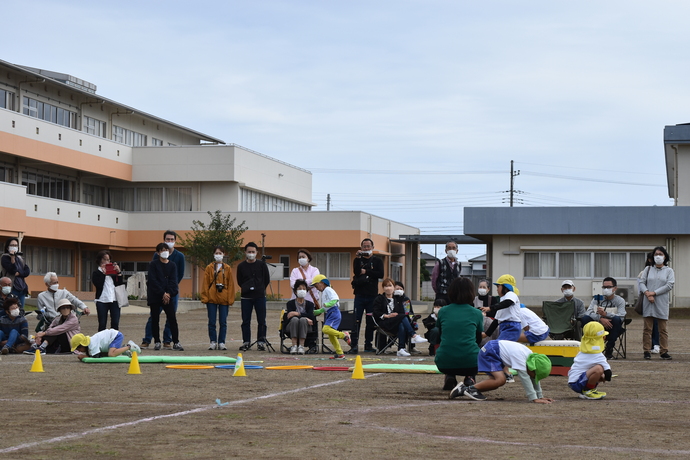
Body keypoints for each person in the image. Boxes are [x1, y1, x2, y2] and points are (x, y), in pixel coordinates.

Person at [450, 340, 554, 403]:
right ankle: (467, 389)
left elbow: (532, 377)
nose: (534, 378)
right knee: (500, 380)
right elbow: (526, 378)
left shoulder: (532, 359)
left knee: (495, 383)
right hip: (490, 352)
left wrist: (540, 396)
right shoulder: (521, 358)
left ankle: (466, 389)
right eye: (535, 375)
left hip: (495, 352)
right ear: (533, 369)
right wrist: (534, 398)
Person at [434, 277, 484, 392]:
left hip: (444, 361)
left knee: (449, 349)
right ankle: (470, 377)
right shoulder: (476, 313)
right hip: (470, 361)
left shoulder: (443, 311)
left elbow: (441, 335)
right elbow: (478, 339)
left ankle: (450, 375)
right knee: (475, 351)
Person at [142, 230, 186, 349]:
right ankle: (147, 340)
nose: (170, 242)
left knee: (171, 317)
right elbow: (153, 278)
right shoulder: (155, 258)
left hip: (171, 292)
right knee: (153, 317)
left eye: (172, 240)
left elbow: (179, 275)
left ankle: (168, 340)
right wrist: (162, 292)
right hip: (156, 293)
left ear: (175, 241)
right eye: (168, 239)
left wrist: (169, 292)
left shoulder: (179, 257)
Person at [372, 278, 427, 357]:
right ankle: (413, 335)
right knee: (402, 317)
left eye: (390, 286)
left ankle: (401, 349)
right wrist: (387, 315)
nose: (388, 288)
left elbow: (406, 311)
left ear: (393, 287)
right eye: (386, 286)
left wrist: (402, 296)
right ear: (383, 288)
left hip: (395, 322)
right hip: (385, 322)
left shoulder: (398, 299)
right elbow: (376, 312)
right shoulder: (379, 299)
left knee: (401, 323)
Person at [639, 246, 674, 360]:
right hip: (648, 302)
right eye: (656, 254)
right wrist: (647, 293)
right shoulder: (648, 269)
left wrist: (653, 293)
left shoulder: (669, 271)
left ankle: (664, 351)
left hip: (661, 302)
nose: (658, 256)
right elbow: (642, 282)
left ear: (665, 256)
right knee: (647, 329)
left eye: (660, 254)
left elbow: (669, 285)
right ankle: (646, 351)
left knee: (662, 329)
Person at [350, 238, 384, 354]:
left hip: (372, 296)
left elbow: (380, 274)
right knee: (356, 320)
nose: (366, 248)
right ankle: (354, 345)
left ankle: (368, 344)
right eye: (364, 246)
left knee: (370, 321)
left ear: (373, 247)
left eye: (368, 246)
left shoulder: (377, 260)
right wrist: (359, 258)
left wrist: (367, 272)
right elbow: (356, 271)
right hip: (359, 295)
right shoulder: (357, 260)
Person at [236, 242, 271, 351]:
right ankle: (246, 341)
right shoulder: (241, 266)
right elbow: (239, 280)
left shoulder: (262, 265)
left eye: (253, 252)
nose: (251, 254)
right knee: (246, 320)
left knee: (261, 320)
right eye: (249, 252)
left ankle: (261, 341)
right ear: (245, 252)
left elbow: (266, 279)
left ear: (256, 253)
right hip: (246, 297)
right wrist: (246, 288)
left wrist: (260, 288)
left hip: (259, 296)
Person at [200, 246, 236, 351]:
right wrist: (205, 297)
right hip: (211, 298)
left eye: (220, 253)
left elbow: (231, 285)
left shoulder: (227, 268)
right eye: (216, 253)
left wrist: (230, 299)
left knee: (223, 321)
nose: (218, 255)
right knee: (211, 321)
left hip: (224, 298)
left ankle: (222, 342)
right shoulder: (209, 268)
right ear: (213, 254)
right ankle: (213, 341)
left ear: (224, 254)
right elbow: (205, 284)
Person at [582, 277, 626, 360]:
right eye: (604, 287)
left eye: (609, 287)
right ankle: (588, 347)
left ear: (615, 288)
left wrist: (606, 314)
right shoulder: (596, 299)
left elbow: (621, 316)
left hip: (612, 327)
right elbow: (588, 312)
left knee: (617, 320)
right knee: (585, 318)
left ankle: (609, 349)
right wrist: (600, 318)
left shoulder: (620, 300)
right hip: (596, 327)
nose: (606, 289)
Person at [567, 322, 612, 400]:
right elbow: (608, 372)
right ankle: (588, 391)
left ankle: (588, 390)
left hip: (574, 381)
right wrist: (606, 376)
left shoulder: (583, 351)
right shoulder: (596, 354)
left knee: (599, 371)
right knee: (599, 369)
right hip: (577, 383)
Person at [311, 274, 351, 359]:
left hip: (334, 312)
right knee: (331, 334)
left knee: (325, 329)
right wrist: (319, 311)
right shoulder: (324, 292)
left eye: (316, 285)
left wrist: (327, 304)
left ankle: (344, 335)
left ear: (321, 283)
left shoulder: (328, 289)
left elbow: (335, 299)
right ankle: (340, 353)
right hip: (330, 312)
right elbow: (326, 307)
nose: (316, 288)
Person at [481, 274, 522, 341]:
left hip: (511, 327)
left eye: (498, 286)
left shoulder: (511, 294)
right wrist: (486, 334)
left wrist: (490, 308)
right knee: (502, 348)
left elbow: (507, 303)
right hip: (505, 327)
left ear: (505, 287)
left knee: (499, 346)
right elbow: (496, 320)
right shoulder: (502, 300)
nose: (497, 290)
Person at [91, 251, 123, 331]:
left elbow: (120, 284)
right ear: (99, 260)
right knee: (102, 323)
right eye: (104, 259)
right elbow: (98, 285)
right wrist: (103, 274)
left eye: (108, 260)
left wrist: (118, 272)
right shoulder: (96, 273)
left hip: (114, 299)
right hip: (102, 300)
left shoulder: (113, 272)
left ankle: (114, 342)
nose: (106, 262)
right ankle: (102, 342)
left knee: (115, 323)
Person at [283, 279, 316, 354]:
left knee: (302, 320)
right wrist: (306, 317)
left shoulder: (310, 304)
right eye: (300, 289)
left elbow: (311, 315)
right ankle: (294, 346)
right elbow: (290, 316)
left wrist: (298, 314)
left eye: (304, 289)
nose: (302, 290)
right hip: (292, 325)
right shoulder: (290, 303)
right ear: (295, 291)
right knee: (295, 319)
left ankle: (301, 346)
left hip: (307, 326)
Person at [638, 253, 660, 353]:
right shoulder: (644, 272)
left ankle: (656, 344)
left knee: (657, 324)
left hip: (658, 299)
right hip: (647, 300)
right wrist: (648, 294)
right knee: (648, 325)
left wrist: (654, 294)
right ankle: (650, 346)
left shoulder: (664, 271)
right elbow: (640, 287)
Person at [71, 330, 140, 361]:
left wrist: (83, 356)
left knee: (111, 354)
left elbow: (96, 356)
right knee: (107, 353)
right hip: (112, 336)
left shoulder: (92, 344)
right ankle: (122, 349)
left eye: (78, 348)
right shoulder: (90, 342)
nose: (78, 351)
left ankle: (129, 346)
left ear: (82, 345)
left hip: (115, 336)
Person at [0, 238, 30, 309]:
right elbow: (12, 270)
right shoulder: (4, 257)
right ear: (7, 247)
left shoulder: (20, 258)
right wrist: (12, 258)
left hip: (22, 288)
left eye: (16, 245)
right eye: (12, 245)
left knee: (20, 309)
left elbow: (27, 271)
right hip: (12, 288)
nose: (14, 247)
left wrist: (19, 273)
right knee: (12, 308)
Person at [473, 279, 499, 346]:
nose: (482, 289)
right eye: (480, 287)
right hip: (477, 327)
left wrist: (486, 314)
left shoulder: (492, 299)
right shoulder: (473, 299)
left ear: (488, 289)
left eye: (484, 287)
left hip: (490, 328)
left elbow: (496, 314)